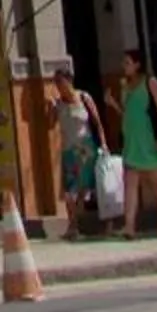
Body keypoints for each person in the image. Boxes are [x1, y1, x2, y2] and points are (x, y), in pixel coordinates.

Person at [118, 46, 157, 238]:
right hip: (132, 141)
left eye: (128, 63)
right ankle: (129, 226)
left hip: (149, 139)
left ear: (137, 64)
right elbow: (127, 113)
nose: (124, 66)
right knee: (131, 183)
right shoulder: (125, 86)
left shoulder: (150, 82)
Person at [47, 63, 109, 237]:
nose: (58, 86)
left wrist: (103, 143)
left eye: (60, 81)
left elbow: (96, 122)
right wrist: (50, 109)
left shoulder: (84, 97)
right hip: (68, 150)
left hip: (85, 148)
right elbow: (50, 126)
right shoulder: (58, 104)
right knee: (69, 191)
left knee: (83, 188)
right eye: (56, 82)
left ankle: (76, 224)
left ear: (69, 80)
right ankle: (73, 224)